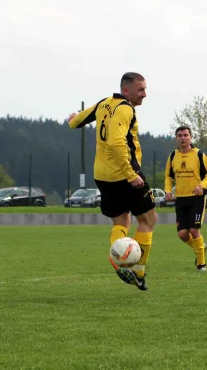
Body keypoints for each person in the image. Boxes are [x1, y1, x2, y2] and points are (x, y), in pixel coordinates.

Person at [68, 72, 156, 291]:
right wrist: (130, 174)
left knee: (121, 223)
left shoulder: (104, 103)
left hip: (102, 175)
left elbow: (76, 122)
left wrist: (72, 119)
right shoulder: (125, 109)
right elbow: (118, 144)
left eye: (145, 89)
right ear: (126, 91)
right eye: (141, 90)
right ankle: (138, 270)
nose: (144, 94)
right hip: (124, 174)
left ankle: (118, 254)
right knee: (148, 219)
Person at [164, 126, 207, 271]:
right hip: (181, 199)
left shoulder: (199, 155)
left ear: (191, 137)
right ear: (176, 138)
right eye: (180, 135)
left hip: (197, 198)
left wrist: (202, 186)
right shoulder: (173, 156)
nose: (183, 138)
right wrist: (167, 190)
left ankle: (201, 264)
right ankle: (200, 247)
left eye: (186, 135)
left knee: (194, 230)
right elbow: (168, 176)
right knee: (182, 234)